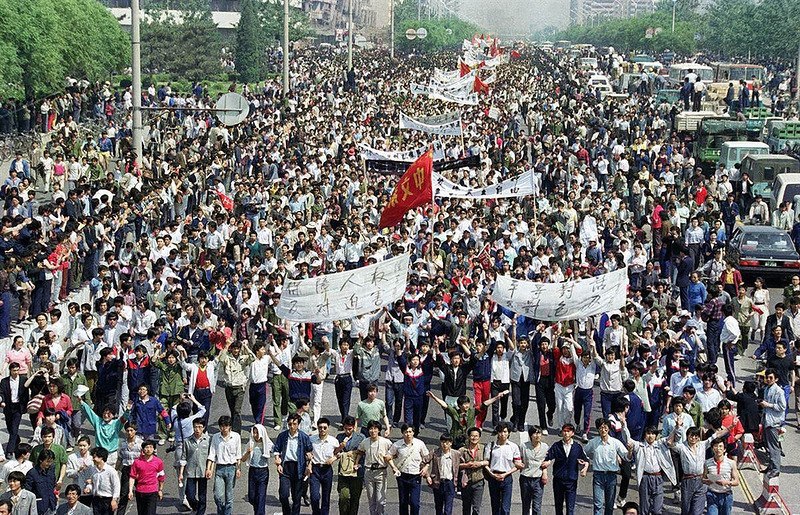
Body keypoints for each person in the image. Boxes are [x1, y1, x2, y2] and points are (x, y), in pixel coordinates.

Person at [583, 418, 630, 515]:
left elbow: (626, 456)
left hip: (611, 476)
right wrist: (585, 463)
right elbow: (583, 452)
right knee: (598, 504)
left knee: (609, 505)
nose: (603, 430)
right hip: (598, 476)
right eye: (600, 428)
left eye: (605, 428)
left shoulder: (615, 442)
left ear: (608, 429)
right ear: (598, 429)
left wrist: (630, 451)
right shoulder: (593, 442)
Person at [628, 426, 677, 515]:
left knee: (657, 509)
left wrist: (677, 427)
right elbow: (628, 439)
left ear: (656, 435)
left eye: (653, 434)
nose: (650, 436)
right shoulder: (640, 446)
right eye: (648, 433)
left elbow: (671, 438)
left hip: (658, 478)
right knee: (644, 508)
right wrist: (624, 425)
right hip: (645, 478)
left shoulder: (660, 444)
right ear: (645, 435)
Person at [541, 424, 589, 515]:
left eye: (568, 431)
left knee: (570, 508)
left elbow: (586, 460)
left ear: (572, 433)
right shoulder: (556, 446)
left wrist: (585, 468)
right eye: (564, 431)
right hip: (558, 480)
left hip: (571, 480)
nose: (566, 433)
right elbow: (548, 457)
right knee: (558, 506)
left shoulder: (577, 447)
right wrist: (548, 462)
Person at [273, 413, 313, 515]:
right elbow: (276, 450)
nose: (292, 426)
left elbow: (310, 451)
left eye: (294, 424)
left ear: (298, 424)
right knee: (283, 494)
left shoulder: (303, 437)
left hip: (299, 467)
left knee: (296, 497)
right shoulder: (283, 436)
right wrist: (278, 463)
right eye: (290, 424)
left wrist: (309, 462)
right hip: (286, 467)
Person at [387, 424, 429, 515]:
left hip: (415, 476)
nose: (408, 434)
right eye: (406, 432)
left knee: (415, 503)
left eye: (410, 432)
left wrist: (426, 468)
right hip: (402, 476)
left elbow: (427, 458)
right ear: (402, 433)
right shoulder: (397, 444)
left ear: (413, 432)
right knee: (403, 502)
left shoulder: (419, 444)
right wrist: (393, 467)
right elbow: (388, 456)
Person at [206, 416, 241, 515]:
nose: (223, 428)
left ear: (230, 426)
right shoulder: (216, 437)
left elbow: (238, 455)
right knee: (218, 496)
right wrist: (209, 469)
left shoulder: (236, 437)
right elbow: (212, 454)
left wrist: (238, 469)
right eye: (221, 426)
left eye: (226, 426)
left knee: (229, 497)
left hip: (231, 468)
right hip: (219, 469)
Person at [356, 420, 393, 515]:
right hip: (368, 472)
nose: (373, 431)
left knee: (380, 501)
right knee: (371, 500)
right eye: (371, 429)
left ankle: (381, 513)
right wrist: (356, 463)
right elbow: (359, 452)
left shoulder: (386, 442)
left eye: (375, 429)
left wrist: (390, 458)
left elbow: (394, 452)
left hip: (381, 472)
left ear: (379, 430)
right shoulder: (365, 442)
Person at [423, 433, 460, 515]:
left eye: (447, 442)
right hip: (438, 483)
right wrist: (427, 476)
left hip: (450, 483)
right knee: (438, 508)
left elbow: (463, 465)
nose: (445, 445)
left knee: (448, 509)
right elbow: (423, 461)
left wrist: (461, 479)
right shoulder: (435, 452)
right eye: (443, 442)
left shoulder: (456, 454)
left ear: (451, 443)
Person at [240, 424, 273, 515]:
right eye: (253, 433)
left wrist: (278, 458)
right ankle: (257, 511)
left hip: (263, 472)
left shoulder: (267, 443)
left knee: (261, 496)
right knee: (252, 497)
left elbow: (276, 450)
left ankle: (260, 513)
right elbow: (243, 459)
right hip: (253, 471)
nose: (255, 435)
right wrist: (247, 452)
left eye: (257, 433)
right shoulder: (250, 443)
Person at [760, 368, 787, 478]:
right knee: (768, 445)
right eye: (767, 377)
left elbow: (782, 406)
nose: (768, 379)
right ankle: (771, 466)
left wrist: (769, 405)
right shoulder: (767, 389)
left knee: (774, 447)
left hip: (774, 422)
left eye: (771, 377)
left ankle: (776, 469)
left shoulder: (778, 391)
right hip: (767, 420)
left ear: (776, 379)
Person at [308, 418, 338, 515]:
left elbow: (340, 452)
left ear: (328, 428)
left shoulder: (333, 441)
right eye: (320, 427)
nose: (322, 429)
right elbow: (306, 450)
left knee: (326, 496)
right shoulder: (312, 439)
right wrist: (308, 456)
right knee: (314, 496)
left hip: (327, 470)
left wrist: (333, 458)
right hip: (315, 469)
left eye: (325, 427)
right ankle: (316, 512)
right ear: (317, 428)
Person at [181, 418, 210, 515]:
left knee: (202, 496)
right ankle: (196, 507)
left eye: (200, 427)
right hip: (190, 472)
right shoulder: (187, 441)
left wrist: (209, 469)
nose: (197, 429)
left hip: (203, 471)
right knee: (190, 495)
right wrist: (181, 473)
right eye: (195, 427)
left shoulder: (208, 440)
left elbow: (211, 457)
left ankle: (200, 513)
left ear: (204, 428)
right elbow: (183, 457)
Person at [704, 437, 739, 515]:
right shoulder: (707, 463)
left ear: (724, 449)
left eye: (720, 446)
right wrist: (707, 481)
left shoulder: (731, 463)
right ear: (712, 449)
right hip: (712, 494)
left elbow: (736, 481)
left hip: (726, 495)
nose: (718, 449)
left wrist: (726, 482)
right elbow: (703, 479)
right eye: (715, 446)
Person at [0, 362, 28, 460]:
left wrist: (25, 405)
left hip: (18, 407)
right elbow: (2, 392)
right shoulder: (4, 381)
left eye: (17, 370)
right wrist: (2, 401)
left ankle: (9, 450)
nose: (16, 372)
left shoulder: (23, 380)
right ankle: (17, 439)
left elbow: (25, 394)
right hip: (8, 406)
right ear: (10, 371)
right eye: (14, 370)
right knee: (10, 428)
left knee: (14, 428)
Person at [128, 440, 164, 515]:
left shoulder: (158, 462)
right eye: (146, 447)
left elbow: (161, 477)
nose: (149, 449)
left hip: (152, 491)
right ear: (143, 449)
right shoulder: (137, 462)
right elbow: (132, 477)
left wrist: (160, 490)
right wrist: (130, 490)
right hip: (140, 491)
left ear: (154, 449)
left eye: (151, 447)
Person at [519, 425, 549, 515]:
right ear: (531, 435)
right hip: (525, 478)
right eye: (535, 433)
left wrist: (545, 473)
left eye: (539, 433)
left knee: (536, 506)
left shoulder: (545, 447)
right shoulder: (523, 446)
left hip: (538, 479)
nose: (537, 435)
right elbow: (518, 458)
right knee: (526, 506)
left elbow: (547, 460)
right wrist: (519, 464)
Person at [459, 426, 488, 515]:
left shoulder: (484, 449)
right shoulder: (462, 450)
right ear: (468, 437)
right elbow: (456, 465)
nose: (474, 438)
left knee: (476, 508)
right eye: (472, 436)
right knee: (466, 507)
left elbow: (488, 461)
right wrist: (466, 465)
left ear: (479, 437)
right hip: (466, 482)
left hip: (479, 482)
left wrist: (480, 464)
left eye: (476, 436)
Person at [84, 446, 119, 515]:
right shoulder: (93, 469)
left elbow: (116, 486)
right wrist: (88, 488)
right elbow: (92, 482)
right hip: (96, 499)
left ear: (101, 457)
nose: (93, 459)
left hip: (107, 500)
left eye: (94, 457)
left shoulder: (111, 471)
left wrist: (114, 500)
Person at [25, 448, 57, 515]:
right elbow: (28, 492)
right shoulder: (32, 473)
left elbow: (53, 484)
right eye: (47, 461)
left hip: (52, 504)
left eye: (51, 461)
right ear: (40, 460)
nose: (50, 464)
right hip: (39, 507)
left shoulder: (51, 469)